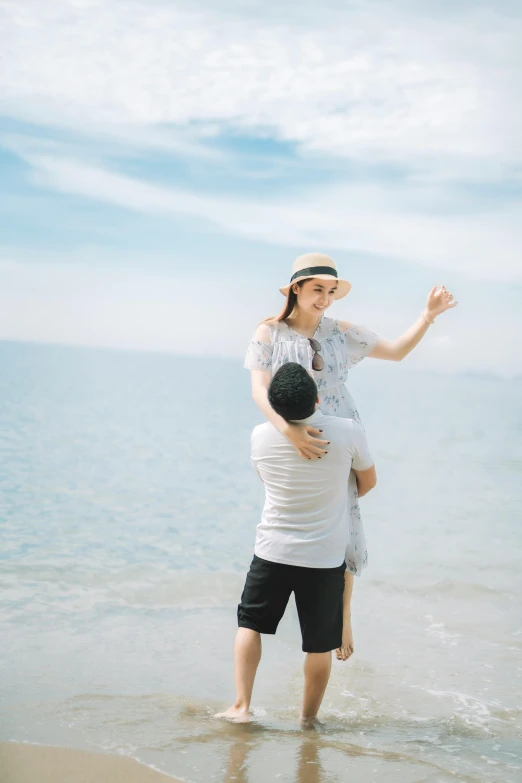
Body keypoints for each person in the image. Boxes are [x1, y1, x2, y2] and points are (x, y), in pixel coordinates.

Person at [244, 252, 457, 656]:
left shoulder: (341, 331)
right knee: (293, 517)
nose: (325, 298)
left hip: (341, 433)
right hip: (290, 432)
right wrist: (289, 432)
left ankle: (342, 620)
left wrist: (428, 315)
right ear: (296, 289)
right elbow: (259, 389)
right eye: (317, 290)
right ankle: (288, 614)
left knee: (346, 519)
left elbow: (395, 351)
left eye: (331, 291)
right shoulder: (269, 332)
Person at [215, 362, 376, 723]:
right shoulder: (349, 432)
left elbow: (266, 477)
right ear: (317, 397)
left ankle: (241, 706)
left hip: (272, 549)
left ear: (276, 406)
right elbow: (367, 483)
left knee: (249, 625)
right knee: (319, 643)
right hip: (323, 557)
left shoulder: (260, 435)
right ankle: (308, 719)